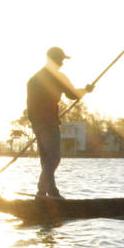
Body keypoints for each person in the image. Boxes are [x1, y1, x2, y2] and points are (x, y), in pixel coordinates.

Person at [26, 46, 94, 199]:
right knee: (54, 157)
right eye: (61, 60)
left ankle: (51, 192)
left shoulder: (33, 79)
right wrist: (86, 90)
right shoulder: (57, 77)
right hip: (48, 123)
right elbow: (73, 95)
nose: (62, 63)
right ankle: (41, 191)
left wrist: (35, 124)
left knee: (46, 160)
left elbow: (29, 106)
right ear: (54, 60)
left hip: (38, 123)